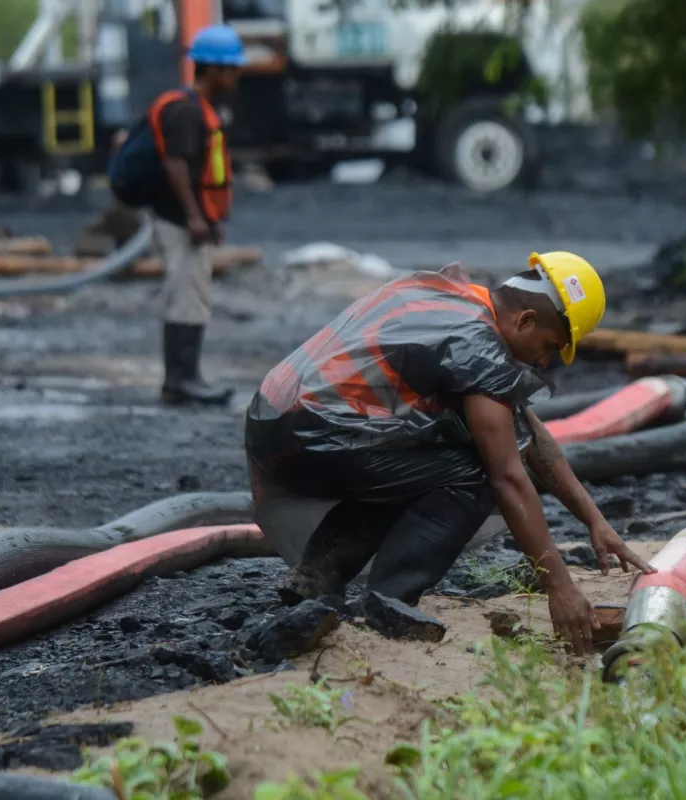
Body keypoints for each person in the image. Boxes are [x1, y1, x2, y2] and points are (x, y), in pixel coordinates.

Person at [243, 254, 657, 655]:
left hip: (278, 420)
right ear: (526, 320)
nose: (545, 360)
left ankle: (315, 578)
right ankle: (389, 605)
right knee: (475, 471)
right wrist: (560, 587)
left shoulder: (457, 303)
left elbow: (530, 434)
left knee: (422, 466)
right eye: (550, 346)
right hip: (319, 433)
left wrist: (594, 520)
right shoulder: (479, 346)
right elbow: (509, 477)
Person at [146, 25, 246, 406]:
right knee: (186, 296)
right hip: (178, 222)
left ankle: (186, 378)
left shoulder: (198, 108)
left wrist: (209, 219)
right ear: (213, 69)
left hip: (189, 220)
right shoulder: (187, 112)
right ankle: (181, 381)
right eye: (232, 68)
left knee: (192, 295)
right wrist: (193, 218)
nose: (236, 75)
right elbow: (176, 166)